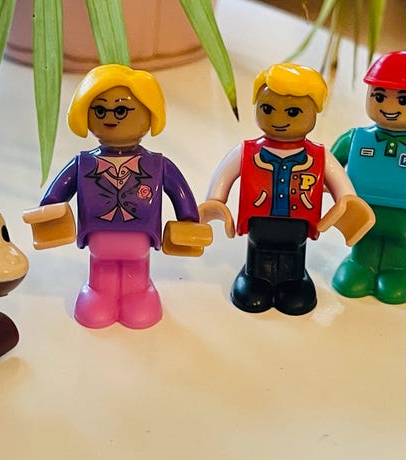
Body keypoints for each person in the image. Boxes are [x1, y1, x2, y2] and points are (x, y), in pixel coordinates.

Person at [23, 64, 211, 329]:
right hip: (99, 239)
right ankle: (99, 293)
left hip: (140, 239)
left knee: (137, 276)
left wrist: (188, 217)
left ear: (150, 113)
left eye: (122, 110)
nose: (110, 117)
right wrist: (50, 209)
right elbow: (57, 194)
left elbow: (180, 193)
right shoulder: (83, 164)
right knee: (102, 274)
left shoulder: (158, 165)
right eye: (100, 110)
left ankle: (139, 294)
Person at [199, 63, 374, 315]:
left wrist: (346, 202)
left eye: (293, 112)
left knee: (294, 254)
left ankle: (293, 281)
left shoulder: (320, 156)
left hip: (298, 224)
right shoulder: (247, 151)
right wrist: (216, 201)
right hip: (259, 221)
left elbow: (344, 190)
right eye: (267, 109)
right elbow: (223, 178)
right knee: (259, 252)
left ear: (314, 112)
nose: (278, 120)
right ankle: (255, 278)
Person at [331, 51, 406, 304]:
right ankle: (361, 264)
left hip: (402, 216)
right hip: (362, 209)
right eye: (380, 96)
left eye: (402, 100)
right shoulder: (355, 138)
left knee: (399, 245)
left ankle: (396, 270)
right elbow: (328, 165)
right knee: (364, 238)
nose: (390, 108)